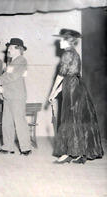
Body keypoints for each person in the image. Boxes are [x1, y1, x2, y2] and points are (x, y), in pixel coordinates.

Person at [49, 29, 104, 164]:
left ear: (68, 41)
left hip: (72, 88)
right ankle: (79, 153)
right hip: (76, 86)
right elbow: (70, 76)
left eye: (62, 39)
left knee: (69, 118)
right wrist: (57, 92)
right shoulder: (75, 53)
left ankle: (68, 153)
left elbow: (61, 75)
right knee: (77, 118)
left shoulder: (67, 54)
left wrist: (52, 92)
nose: (59, 42)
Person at [0, 38, 31, 155]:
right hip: (8, 96)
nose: (8, 49)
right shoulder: (11, 62)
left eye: (10, 47)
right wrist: (2, 89)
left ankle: (26, 148)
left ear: (18, 49)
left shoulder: (21, 60)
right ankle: (7, 147)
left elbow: (13, 76)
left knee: (19, 122)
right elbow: (9, 77)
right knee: (6, 122)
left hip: (17, 97)